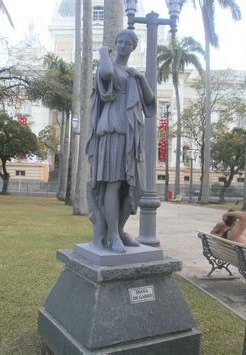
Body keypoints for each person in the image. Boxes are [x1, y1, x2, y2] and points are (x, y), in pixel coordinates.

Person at [86, 30, 155, 253]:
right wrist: (103, 52)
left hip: (132, 134)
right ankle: (113, 235)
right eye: (120, 42)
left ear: (134, 47)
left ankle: (120, 230)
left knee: (137, 188)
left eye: (128, 43)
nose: (124, 45)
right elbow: (105, 73)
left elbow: (150, 100)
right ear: (116, 44)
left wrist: (141, 77)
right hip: (113, 130)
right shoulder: (109, 67)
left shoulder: (133, 74)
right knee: (113, 183)